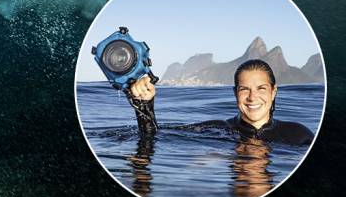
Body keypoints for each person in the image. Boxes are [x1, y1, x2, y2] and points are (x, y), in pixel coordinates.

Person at [126, 59, 315, 146]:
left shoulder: (299, 135)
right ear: (235, 93)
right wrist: (144, 105)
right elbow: (153, 136)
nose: (252, 97)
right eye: (244, 89)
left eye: (261, 88)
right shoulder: (217, 129)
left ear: (273, 92)